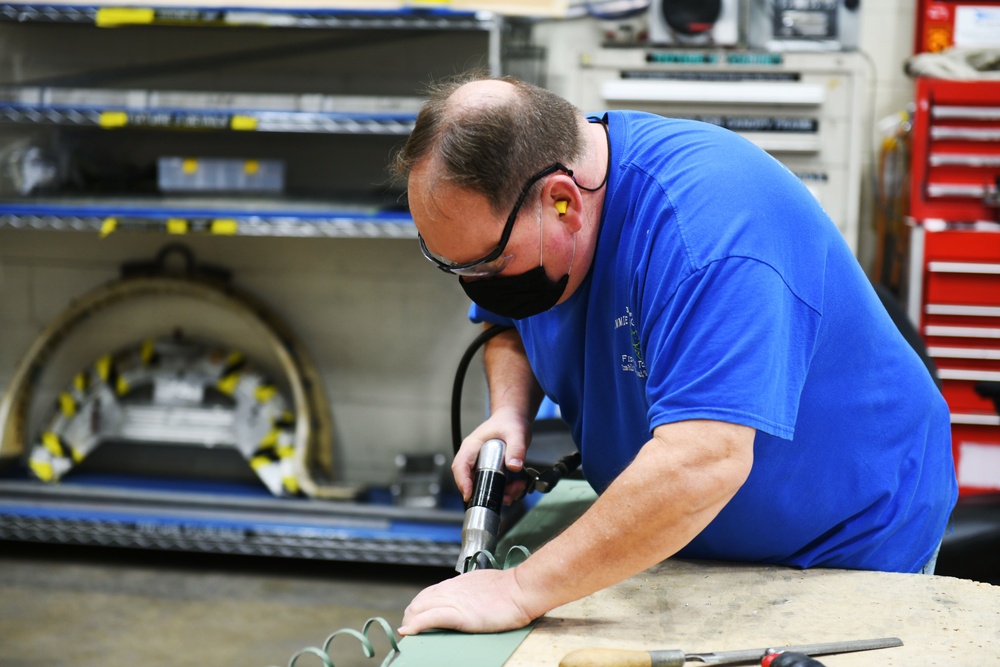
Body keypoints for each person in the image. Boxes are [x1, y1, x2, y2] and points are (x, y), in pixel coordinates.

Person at [390, 74, 958, 636]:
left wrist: (517, 590)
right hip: (681, 539)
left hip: (842, 550)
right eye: (456, 267)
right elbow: (507, 320)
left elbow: (704, 461)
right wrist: (510, 412)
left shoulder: (712, 232)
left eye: (487, 264)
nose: (478, 285)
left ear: (562, 201)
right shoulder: (545, 193)